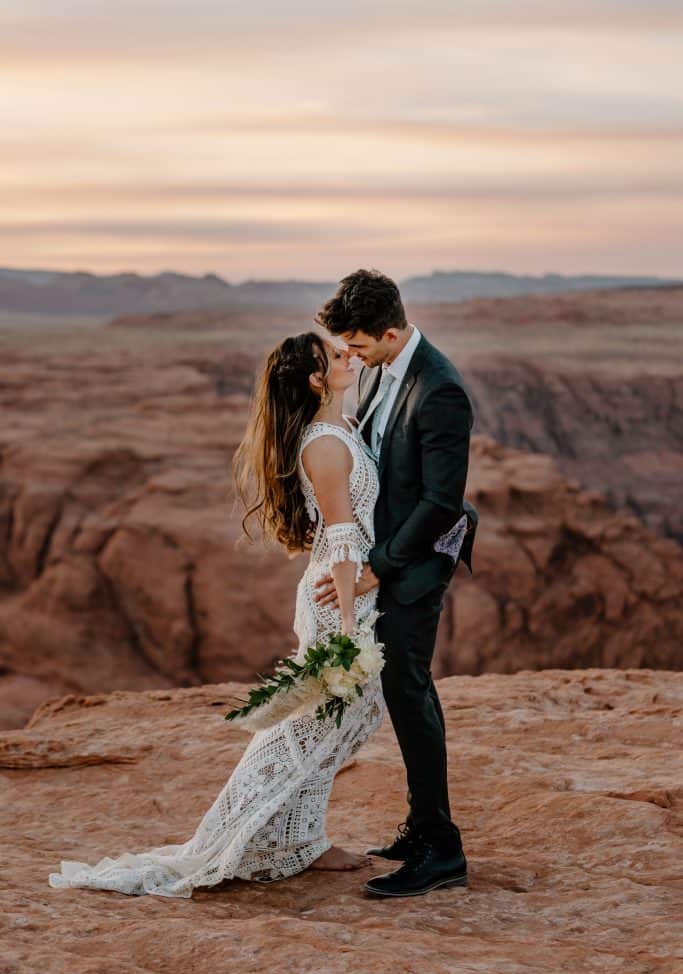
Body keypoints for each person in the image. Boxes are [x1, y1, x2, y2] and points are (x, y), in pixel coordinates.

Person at [48, 331, 386, 898]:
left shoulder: (340, 428)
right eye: (334, 355)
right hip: (339, 598)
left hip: (348, 590)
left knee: (348, 719)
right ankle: (241, 834)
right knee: (316, 722)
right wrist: (350, 626)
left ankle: (300, 837)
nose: (347, 356)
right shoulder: (326, 444)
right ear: (314, 380)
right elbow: (344, 536)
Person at [314, 267, 477, 898]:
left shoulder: (440, 389)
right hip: (388, 554)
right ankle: (421, 827)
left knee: (408, 691)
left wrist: (378, 565)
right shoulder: (382, 367)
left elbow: (441, 503)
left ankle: (442, 849)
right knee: (405, 690)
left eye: (358, 344)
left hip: (415, 564)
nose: (351, 356)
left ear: (389, 332)